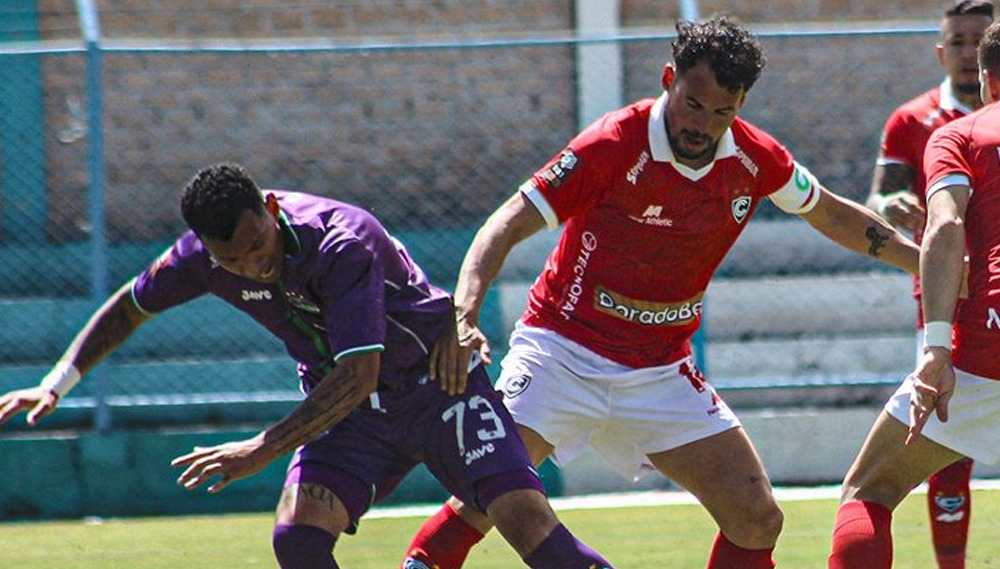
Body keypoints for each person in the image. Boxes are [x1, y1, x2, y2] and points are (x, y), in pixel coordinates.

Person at [400, 15, 921, 569]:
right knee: (485, 494)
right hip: (561, 352)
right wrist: (465, 313)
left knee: (756, 517)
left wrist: (932, 267)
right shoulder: (612, 144)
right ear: (669, 78)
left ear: (741, 104)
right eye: (693, 104)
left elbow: (833, 216)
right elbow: (506, 222)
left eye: (722, 112)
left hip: (659, 370)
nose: (703, 124)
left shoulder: (755, 158)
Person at [0, 163, 616, 569]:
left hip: (438, 386)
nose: (254, 265)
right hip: (352, 415)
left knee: (534, 534)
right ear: (206, 250)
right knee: (297, 538)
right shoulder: (198, 260)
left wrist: (262, 448)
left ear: (270, 208)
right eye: (233, 261)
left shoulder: (340, 241)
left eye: (258, 245)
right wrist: (58, 381)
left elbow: (360, 373)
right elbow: (131, 307)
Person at [828, 19, 1000, 569]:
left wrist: (937, 348)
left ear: (988, 80)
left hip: (983, 337)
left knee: (869, 491)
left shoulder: (959, 135)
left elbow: (945, 226)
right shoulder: (913, 118)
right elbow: (882, 197)